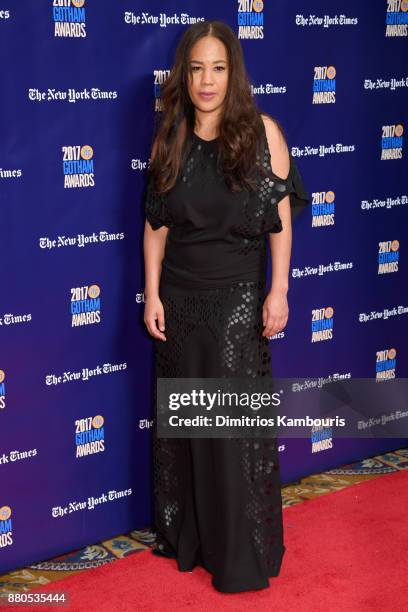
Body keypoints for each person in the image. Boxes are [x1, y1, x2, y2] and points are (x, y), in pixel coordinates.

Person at [143, 20, 309, 593]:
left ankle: (240, 553)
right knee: (191, 428)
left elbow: (279, 222)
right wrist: (152, 291)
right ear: (184, 77)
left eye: (217, 68)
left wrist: (280, 289)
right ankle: (194, 539)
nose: (207, 81)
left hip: (237, 300)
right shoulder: (171, 137)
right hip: (181, 301)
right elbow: (155, 226)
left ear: (232, 73)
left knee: (233, 432)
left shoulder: (263, 133)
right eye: (196, 69)